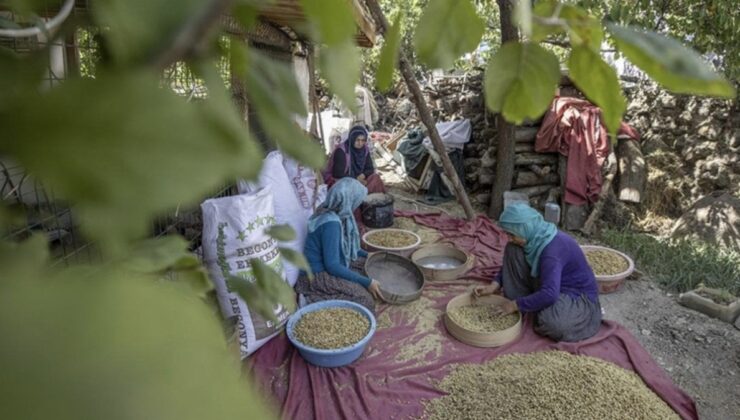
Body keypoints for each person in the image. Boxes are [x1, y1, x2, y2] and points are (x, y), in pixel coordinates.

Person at [474, 203, 602, 342]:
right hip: (548, 281)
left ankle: (530, 304)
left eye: (512, 234)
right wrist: (494, 285)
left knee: (552, 323)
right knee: (513, 249)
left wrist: (514, 305)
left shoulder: (551, 252)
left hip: (574, 295)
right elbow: (510, 263)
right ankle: (530, 301)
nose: (509, 238)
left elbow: (550, 294)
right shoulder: (535, 237)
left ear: (525, 229)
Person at [295, 178, 384, 313]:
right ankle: (312, 300)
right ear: (349, 201)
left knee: (366, 265)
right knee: (365, 300)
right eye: (356, 201)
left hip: (329, 264)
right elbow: (332, 266)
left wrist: (368, 255)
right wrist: (367, 282)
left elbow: (346, 248)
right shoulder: (331, 224)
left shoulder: (334, 212)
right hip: (315, 276)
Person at [326, 125, 386, 194]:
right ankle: (359, 197)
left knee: (375, 178)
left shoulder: (364, 149)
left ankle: (365, 197)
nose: (360, 143)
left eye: (363, 140)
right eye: (357, 140)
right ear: (352, 138)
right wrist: (355, 179)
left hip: (359, 179)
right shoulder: (342, 151)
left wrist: (363, 175)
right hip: (344, 180)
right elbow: (337, 174)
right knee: (345, 189)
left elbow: (370, 168)